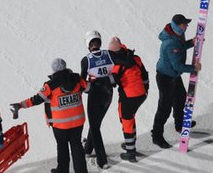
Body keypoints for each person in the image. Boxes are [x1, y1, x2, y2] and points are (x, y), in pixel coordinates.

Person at [10, 58, 89, 173]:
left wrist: (20, 105)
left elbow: (36, 99)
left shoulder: (50, 85)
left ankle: (62, 170)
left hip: (60, 125)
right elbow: (88, 88)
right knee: (77, 145)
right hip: (78, 121)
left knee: (62, 147)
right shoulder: (77, 79)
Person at [151, 14, 201, 149]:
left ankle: (180, 125)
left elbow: (181, 47)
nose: (187, 26)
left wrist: (191, 42)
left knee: (180, 99)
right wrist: (193, 68)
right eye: (185, 24)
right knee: (164, 108)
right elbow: (177, 65)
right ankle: (157, 136)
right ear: (178, 26)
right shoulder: (170, 43)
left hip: (174, 75)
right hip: (165, 78)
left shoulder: (178, 35)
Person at [107, 37, 149, 162]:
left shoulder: (117, 65)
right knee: (130, 117)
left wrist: (98, 82)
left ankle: (130, 152)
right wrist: (146, 89)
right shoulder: (136, 58)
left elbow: (112, 82)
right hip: (141, 94)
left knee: (126, 121)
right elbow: (144, 75)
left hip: (129, 96)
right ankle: (131, 144)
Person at [80, 30, 115, 169]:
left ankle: (102, 160)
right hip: (109, 93)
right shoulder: (109, 54)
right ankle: (87, 150)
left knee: (95, 127)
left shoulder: (86, 60)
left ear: (88, 44)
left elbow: (82, 81)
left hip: (95, 93)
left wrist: (84, 89)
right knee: (96, 122)